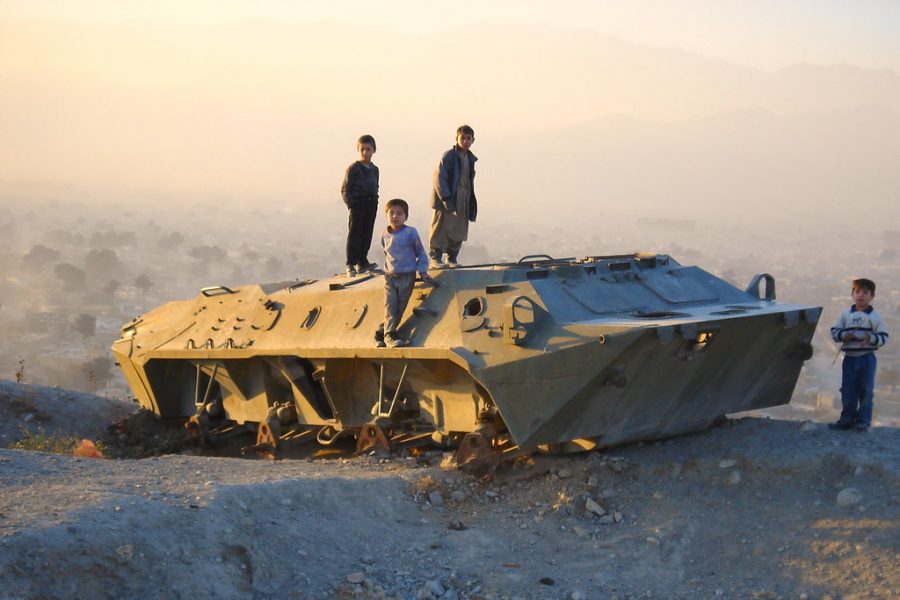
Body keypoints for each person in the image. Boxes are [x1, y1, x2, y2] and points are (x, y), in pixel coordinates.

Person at [828, 278, 889, 431]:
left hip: (867, 358)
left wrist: (871, 339)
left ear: (872, 296)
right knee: (848, 389)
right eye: (857, 291)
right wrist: (844, 336)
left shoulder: (875, 316)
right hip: (849, 358)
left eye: (865, 292)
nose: (861, 295)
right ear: (852, 294)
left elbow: (884, 336)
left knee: (865, 390)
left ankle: (863, 421)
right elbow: (835, 331)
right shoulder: (845, 314)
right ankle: (847, 419)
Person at [377, 198, 434, 348]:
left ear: (406, 216)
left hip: (407, 277)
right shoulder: (384, 234)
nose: (395, 216)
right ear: (386, 216)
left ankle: (382, 331)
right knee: (390, 306)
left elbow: (421, 254)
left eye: (399, 213)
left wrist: (422, 272)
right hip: (390, 277)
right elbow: (386, 253)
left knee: (399, 309)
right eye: (392, 213)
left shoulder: (410, 233)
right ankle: (389, 337)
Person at [429, 124, 478, 268]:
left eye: (468, 138)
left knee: (459, 229)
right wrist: (445, 198)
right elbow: (439, 177)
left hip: (464, 198)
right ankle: (435, 258)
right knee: (441, 227)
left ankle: (452, 258)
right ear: (456, 138)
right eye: (463, 138)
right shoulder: (449, 156)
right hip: (447, 197)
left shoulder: (469, 158)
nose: (465, 141)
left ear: (473, 140)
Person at [341, 134, 379, 277]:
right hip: (358, 203)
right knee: (355, 234)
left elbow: (376, 186)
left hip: (371, 204)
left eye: (368, 149)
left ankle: (362, 261)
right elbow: (345, 188)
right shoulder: (354, 168)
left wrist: (375, 200)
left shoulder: (375, 169)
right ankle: (350, 263)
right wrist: (351, 204)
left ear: (373, 150)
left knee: (367, 233)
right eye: (362, 149)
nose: (365, 152)